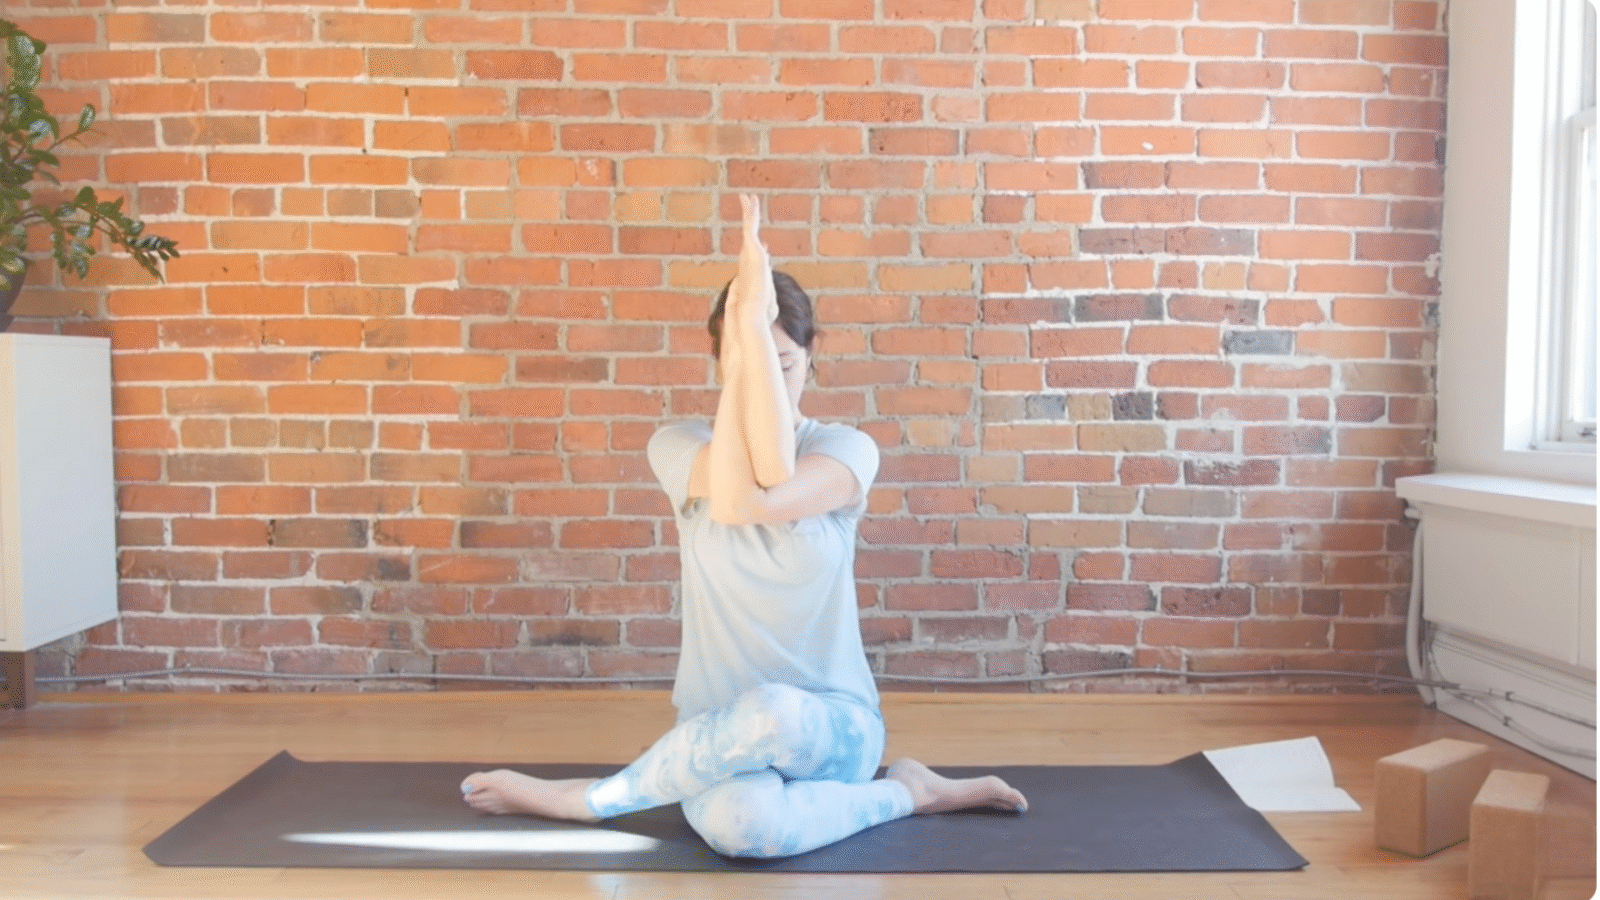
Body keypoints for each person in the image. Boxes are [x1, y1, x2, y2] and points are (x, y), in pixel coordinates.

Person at [460, 194, 1026, 859]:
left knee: (776, 713)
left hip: (829, 729)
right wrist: (746, 339)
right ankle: (909, 792)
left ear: (813, 357)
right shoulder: (678, 445)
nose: (772, 382)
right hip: (716, 738)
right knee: (743, 830)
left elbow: (761, 496)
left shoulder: (846, 450)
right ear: (720, 363)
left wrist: (754, 325)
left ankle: (586, 800)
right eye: (747, 363)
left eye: (783, 364)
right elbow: (733, 494)